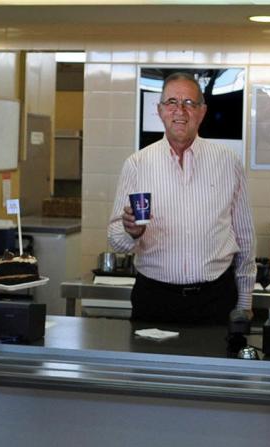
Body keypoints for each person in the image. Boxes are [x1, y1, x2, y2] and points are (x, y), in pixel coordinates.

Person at [108, 72, 255, 324]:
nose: (180, 111)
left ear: (202, 111)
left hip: (215, 299)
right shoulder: (137, 164)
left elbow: (245, 237)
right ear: (160, 110)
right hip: (154, 299)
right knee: (150, 365)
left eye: (189, 103)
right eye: (172, 102)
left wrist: (244, 301)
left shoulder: (227, 162)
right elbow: (116, 240)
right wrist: (131, 232)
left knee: (213, 364)